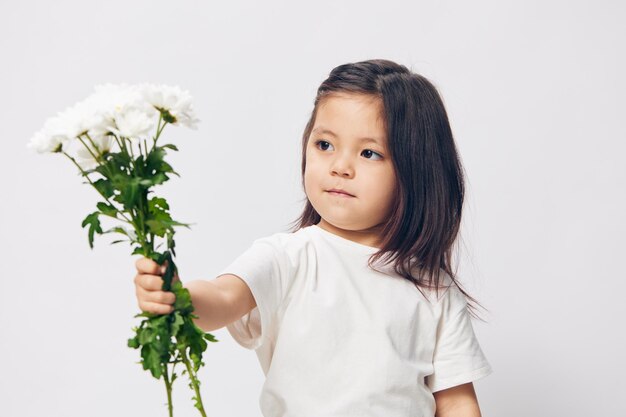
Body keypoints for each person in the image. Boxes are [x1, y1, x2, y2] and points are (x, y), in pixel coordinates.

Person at [134, 59, 493, 417]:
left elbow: (457, 401)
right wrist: (177, 296)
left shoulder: (432, 288)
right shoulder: (287, 257)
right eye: (324, 145)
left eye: (369, 153)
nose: (340, 166)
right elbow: (222, 297)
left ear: (417, 169)